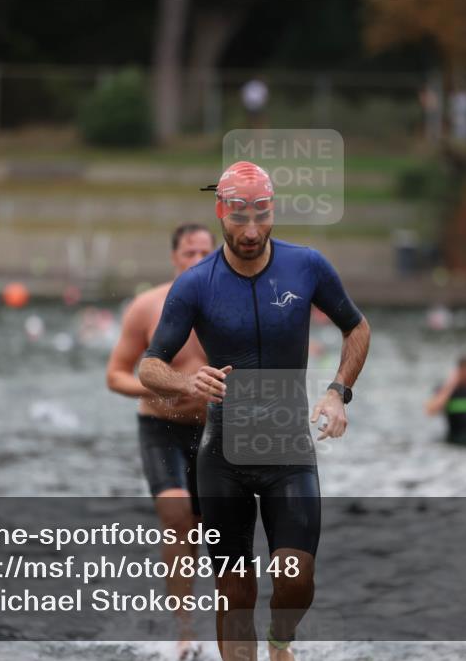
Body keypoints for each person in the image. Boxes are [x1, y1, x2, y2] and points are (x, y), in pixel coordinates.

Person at [138, 161, 371, 661]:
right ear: (221, 212)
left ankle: (281, 642)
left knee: (295, 577)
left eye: (261, 217)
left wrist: (337, 392)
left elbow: (357, 328)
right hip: (222, 458)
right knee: (236, 593)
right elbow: (149, 366)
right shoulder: (197, 284)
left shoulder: (306, 266)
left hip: (288, 451)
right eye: (238, 219)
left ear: (272, 211)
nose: (250, 231)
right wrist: (185, 380)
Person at [106, 223, 215, 659]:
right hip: (160, 427)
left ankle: (222, 620)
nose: (198, 261)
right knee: (176, 514)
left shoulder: (230, 307)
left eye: (206, 252)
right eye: (189, 253)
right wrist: (162, 388)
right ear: (175, 258)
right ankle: (184, 629)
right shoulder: (148, 306)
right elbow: (115, 374)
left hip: (214, 431)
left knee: (211, 531)